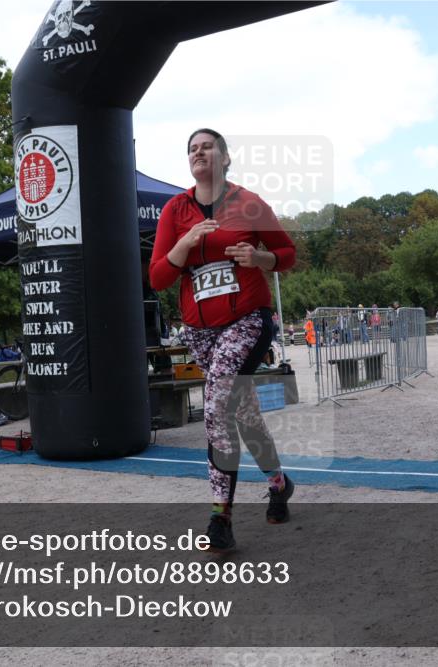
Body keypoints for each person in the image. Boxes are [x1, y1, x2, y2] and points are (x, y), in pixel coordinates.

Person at [149, 128, 296, 551]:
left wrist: (260, 257)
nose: (199, 152)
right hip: (200, 332)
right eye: (192, 148)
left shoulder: (249, 203)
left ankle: (220, 517)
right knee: (245, 415)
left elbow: (287, 254)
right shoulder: (175, 210)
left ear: (225, 158)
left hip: (248, 321)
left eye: (207, 146)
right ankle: (279, 484)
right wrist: (185, 243)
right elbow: (158, 276)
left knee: (215, 405)